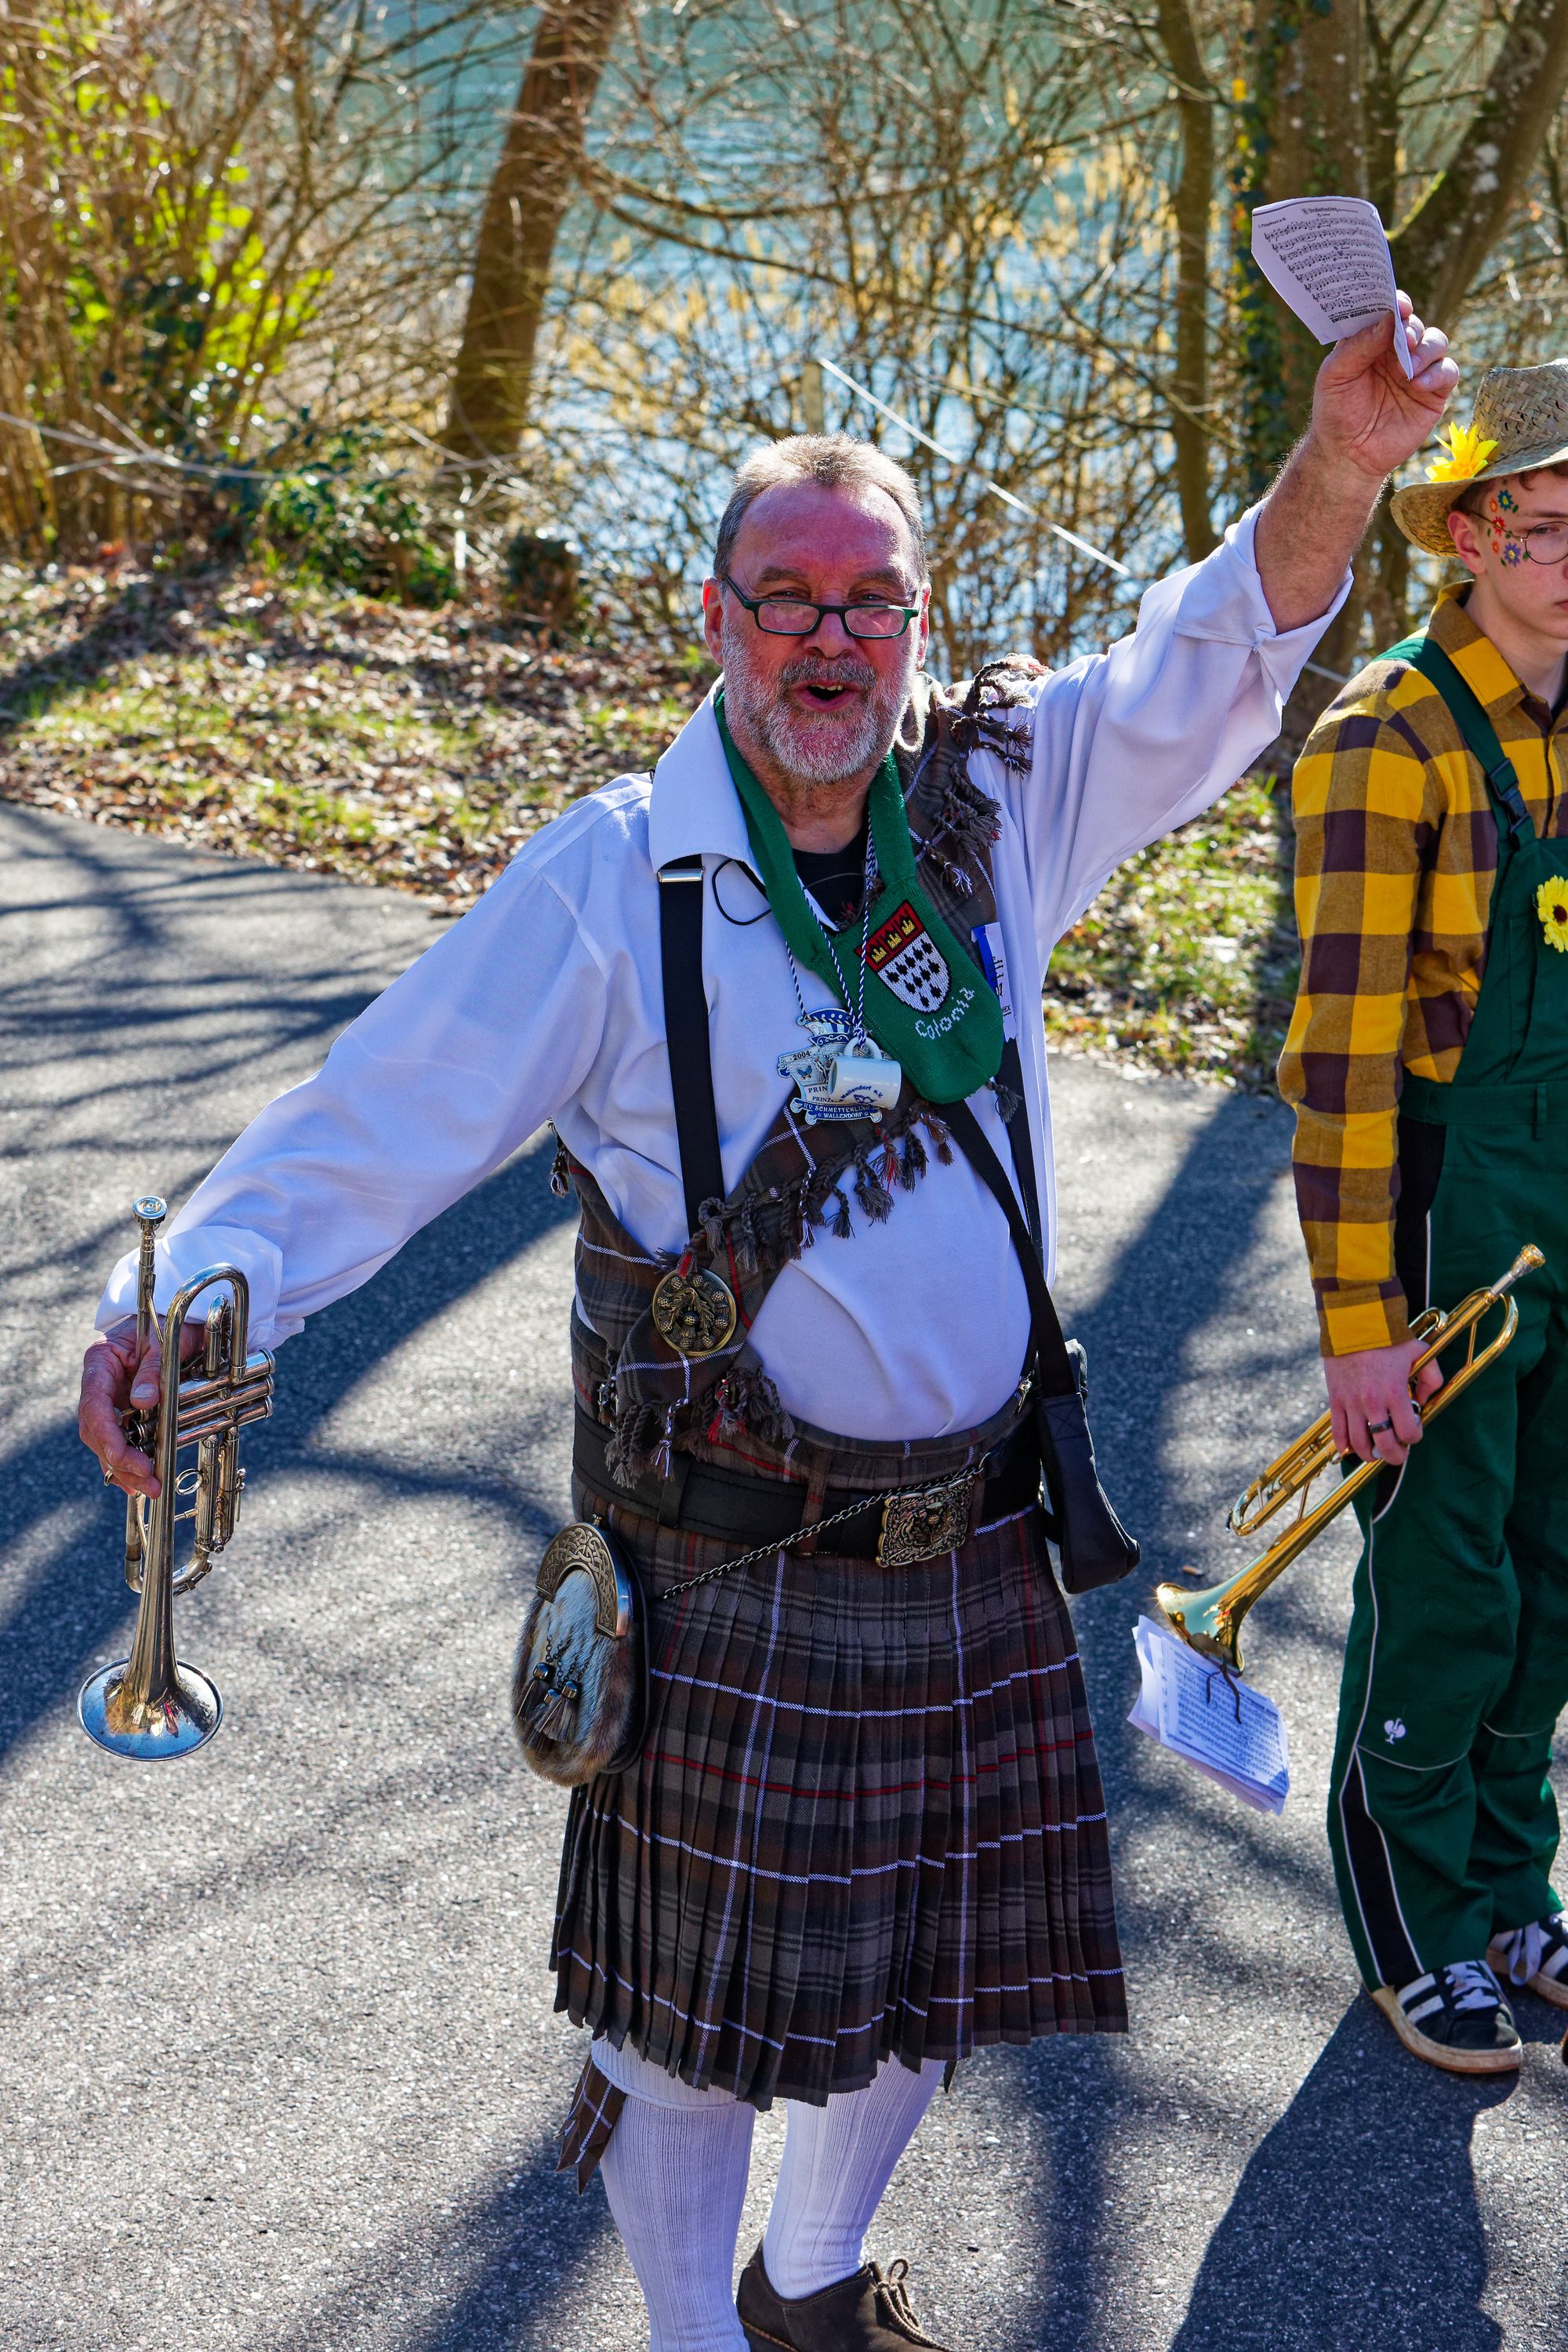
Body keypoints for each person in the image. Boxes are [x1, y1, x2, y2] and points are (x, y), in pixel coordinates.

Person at [80, 298, 1451, 2350]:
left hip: (974, 1533)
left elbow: (1204, 666)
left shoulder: (1002, 798)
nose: (831, 641)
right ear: (711, 620)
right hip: (718, 1559)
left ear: (919, 625)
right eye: (786, 600)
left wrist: (1343, 460)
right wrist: (184, 1301)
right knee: (683, 2047)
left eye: (871, 604)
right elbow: (365, 1128)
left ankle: (813, 2291)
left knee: (931, 1982)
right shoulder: (615, 883)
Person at [1280, 359, 1568, 2079]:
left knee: (1551, 1567)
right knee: (1445, 1575)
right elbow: (1338, 1065)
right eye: (1545, 526)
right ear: (1465, 534)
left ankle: (1514, 1885)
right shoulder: (1382, 737)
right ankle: (1415, 1925)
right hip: (1449, 1198)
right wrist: (1355, 1323)